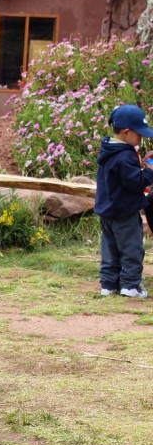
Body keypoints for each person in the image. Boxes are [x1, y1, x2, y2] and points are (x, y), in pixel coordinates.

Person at [95, 104, 153, 299]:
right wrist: (149, 172)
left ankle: (109, 285)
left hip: (107, 210)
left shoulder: (109, 149)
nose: (141, 139)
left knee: (110, 249)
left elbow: (122, 176)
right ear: (127, 132)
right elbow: (135, 182)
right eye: (139, 134)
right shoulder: (125, 155)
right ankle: (130, 286)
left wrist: (141, 165)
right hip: (125, 212)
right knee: (131, 249)